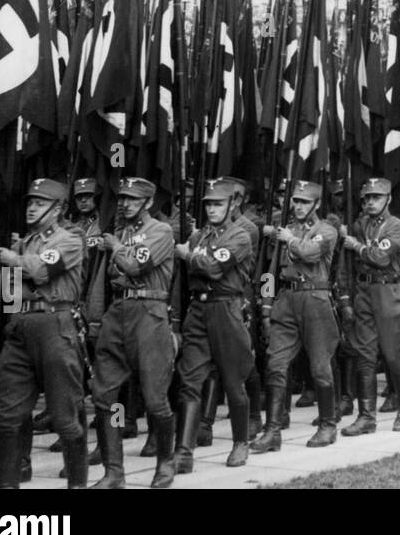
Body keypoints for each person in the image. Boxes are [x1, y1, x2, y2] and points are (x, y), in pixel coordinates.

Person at [0, 178, 87, 489]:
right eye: (30, 202)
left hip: (54, 325)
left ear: (57, 209)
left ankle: (77, 484)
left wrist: (16, 261)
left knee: (63, 415)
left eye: (40, 203)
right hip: (20, 325)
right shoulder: (24, 243)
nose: (32, 208)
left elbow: (43, 270)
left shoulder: (69, 240)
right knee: (6, 413)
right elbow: (7, 292)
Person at [89, 177, 177, 489]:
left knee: (155, 398)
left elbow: (135, 266)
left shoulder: (161, 231)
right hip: (119, 312)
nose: (125, 203)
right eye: (122, 197)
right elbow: (108, 277)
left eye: (133, 199)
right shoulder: (123, 231)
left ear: (149, 202)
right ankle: (114, 471)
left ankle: (166, 462)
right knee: (105, 395)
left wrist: (115, 248)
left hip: (149, 312)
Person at [172, 178, 255, 472]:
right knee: (189, 380)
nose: (212, 209)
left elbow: (214, 269)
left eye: (218, 204)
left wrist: (190, 256)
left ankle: (241, 442)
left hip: (227, 309)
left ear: (233, 204)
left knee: (233, 382)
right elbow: (196, 275)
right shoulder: (198, 237)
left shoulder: (241, 235)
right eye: (208, 204)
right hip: (199, 309)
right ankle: (183, 451)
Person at [252, 180, 341, 449]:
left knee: (319, 366)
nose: (298, 206)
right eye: (296, 201)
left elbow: (310, 253)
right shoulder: (285, 231)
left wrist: (289, 240)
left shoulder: (326, 230)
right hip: (286, 299)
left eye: (304, 202)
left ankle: (328, 425)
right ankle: (273, 431)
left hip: (315, 298)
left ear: (316, 204)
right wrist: (267, 304)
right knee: (275, 363)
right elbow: (269, 271)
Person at [337, 177, 400, 435]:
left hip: (389, 290)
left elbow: (380, 257)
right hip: (364, 292)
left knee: (393, 355)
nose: (370, 202)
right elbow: (346, 265)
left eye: (376, 197)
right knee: (365, 356)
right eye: (367, 198)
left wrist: (356, 245)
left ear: (388, 199)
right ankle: (366, 416)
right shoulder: (359, 225)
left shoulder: (398, 227)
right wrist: (346, 296)